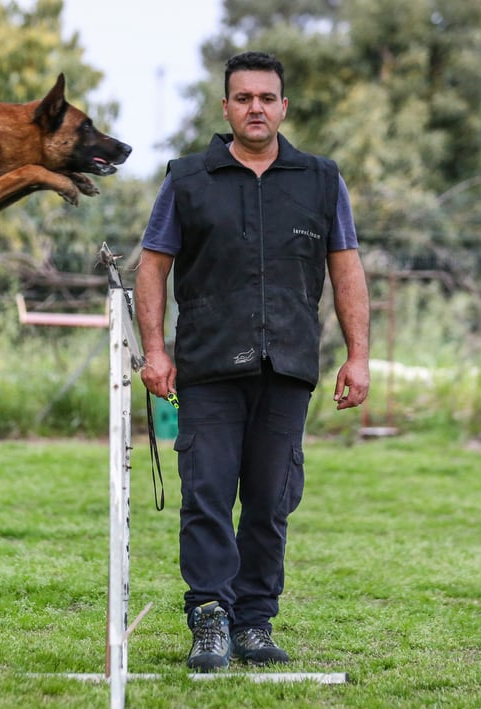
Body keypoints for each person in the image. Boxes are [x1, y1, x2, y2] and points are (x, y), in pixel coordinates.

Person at [135, 51, 370, 672]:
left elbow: (345, 269)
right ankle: (209, 617)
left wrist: (359, 357)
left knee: (270, 500)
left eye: (267, 98)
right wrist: (155, 351)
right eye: (244, 98)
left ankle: (255, 623)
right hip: (208, 369)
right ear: (227, 107)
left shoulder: (321, 180)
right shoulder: (186, 180)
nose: (256, 108)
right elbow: (152, 267)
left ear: (283, 106)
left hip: (287, 365)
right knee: (207, 495)